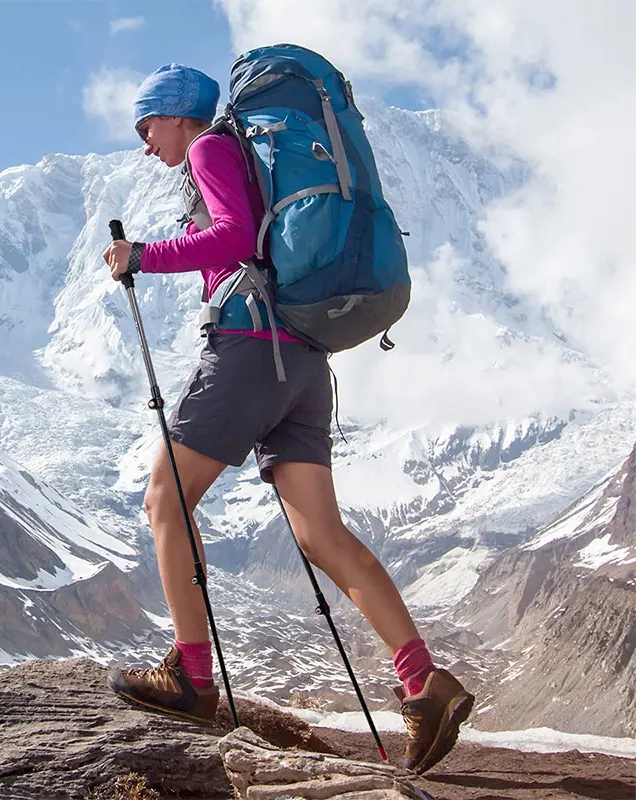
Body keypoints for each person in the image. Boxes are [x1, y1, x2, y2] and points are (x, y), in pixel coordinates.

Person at [102, 62, 474, 774]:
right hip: (303, 360)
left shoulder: (212, 147)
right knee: (322, 534)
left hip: (248, 353)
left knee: (166, 500)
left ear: (176, 115)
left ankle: (190, 677)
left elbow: (235, 238)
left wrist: (142, 255)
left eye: (146, 126)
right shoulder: (245, 153)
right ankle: (424, 681)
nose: (146, 144)